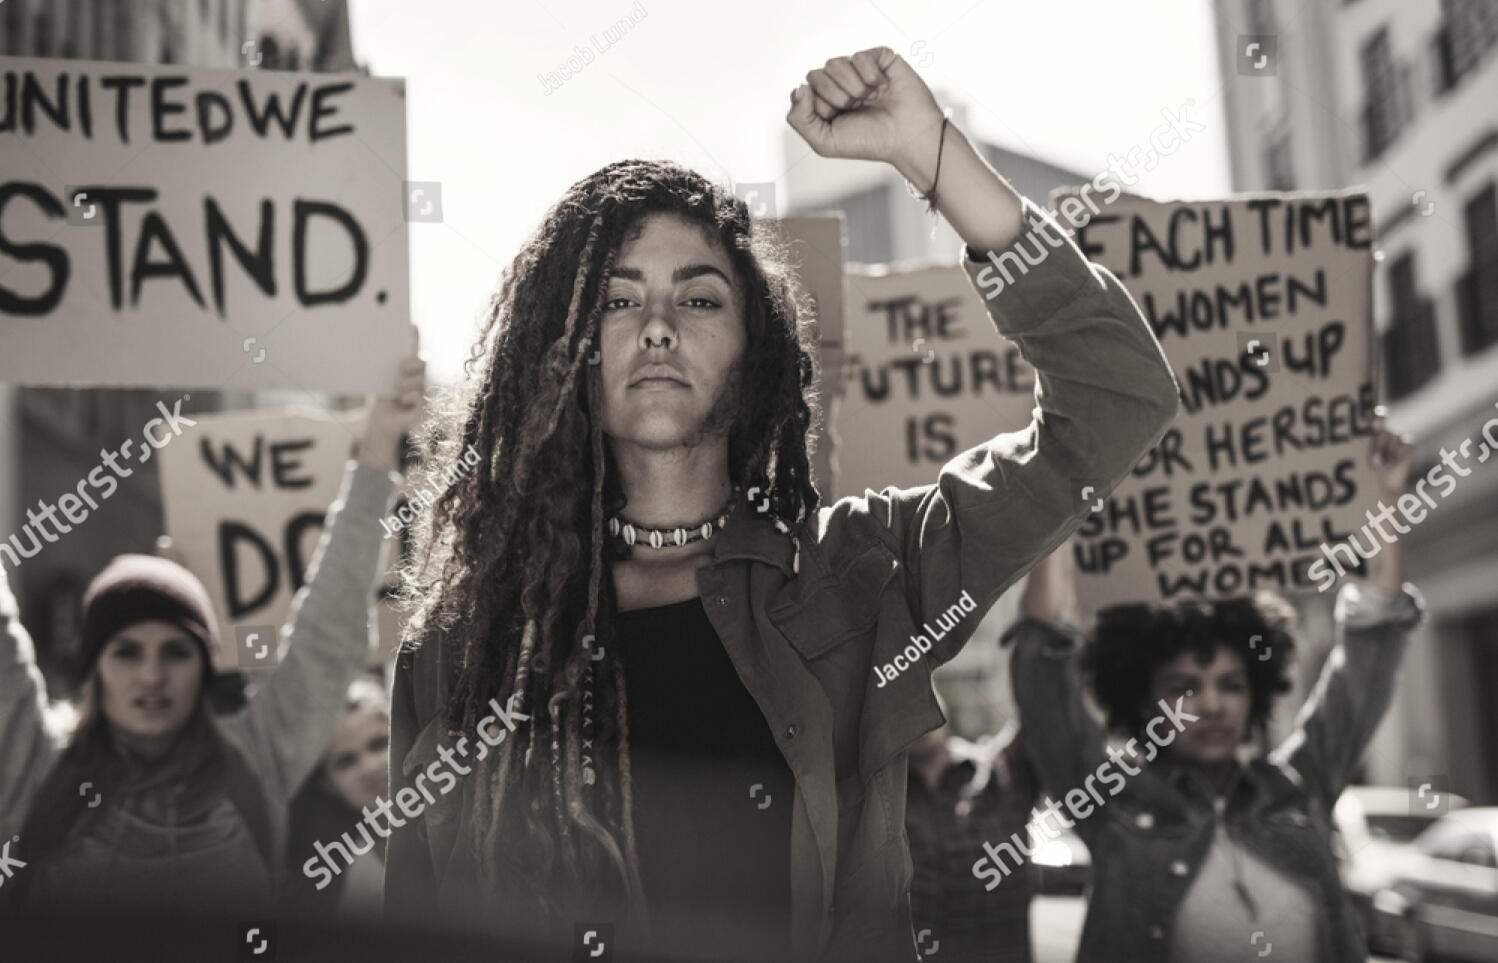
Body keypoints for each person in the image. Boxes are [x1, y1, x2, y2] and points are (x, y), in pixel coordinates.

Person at [385, 45, 1180, 963]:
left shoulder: (859, 575)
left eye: (700, 297)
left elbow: (1118, 393)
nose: (657, 324)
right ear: (561, 348)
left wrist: (931, 156)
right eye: (614, 298)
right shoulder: (464, 641)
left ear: (755, 350)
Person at [0, 348, 424, 920]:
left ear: (206, 662)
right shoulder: (38, 759)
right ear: (93, 665)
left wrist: (376, 452)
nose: (152, 674)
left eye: (176, 651)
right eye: (126, 652)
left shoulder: (256, 755)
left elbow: (328, 630)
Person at [1004, 420, 1425, 963]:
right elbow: (1043, 665)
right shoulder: (1112, 802)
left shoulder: (1300, 787)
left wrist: (1383, 501)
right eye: (1183, 687)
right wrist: (1060, 507)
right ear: (1141, 699)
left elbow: (1371, 649)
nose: (1211, 704)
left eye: (1231, 684)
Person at [905, 689, 1039, 963]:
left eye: (917, 687)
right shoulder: (872, 802)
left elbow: (1043, 711)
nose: (910, 705)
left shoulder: (1000, 770)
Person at [281, 673, 392, 920]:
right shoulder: (337, 875)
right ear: (328, 784)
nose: (369, 766)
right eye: (346, 761)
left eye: (379, 744)